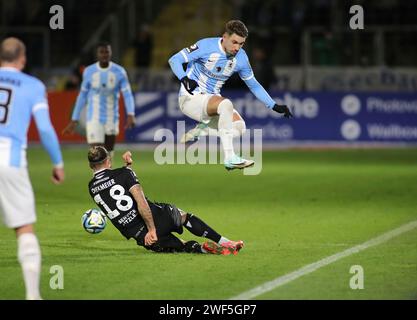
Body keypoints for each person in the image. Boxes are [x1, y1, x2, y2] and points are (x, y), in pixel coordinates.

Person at [168, 20, 293, 171]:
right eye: (234, 42)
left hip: (211, 100)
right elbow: (174, 60)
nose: (237, 48)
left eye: (241, 44)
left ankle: (203, 130)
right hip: (190, 98)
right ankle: (230, 158)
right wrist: (184, 79)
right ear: (224, 37)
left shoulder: (241, 58)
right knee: (225, 104)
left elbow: (253, 84)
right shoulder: (206, 46)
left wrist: (273, 105)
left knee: (240, 127)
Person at [87, 146, 244, 255]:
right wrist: (152, 229)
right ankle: (225, 242)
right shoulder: (124, 173)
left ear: (90, 166)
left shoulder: (92, 187)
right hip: (155, 220)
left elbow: (113, 186)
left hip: (142, 237)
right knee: (184, 217)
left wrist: (127, 167)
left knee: (181, 246)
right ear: (108, 160)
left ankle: (200, 249)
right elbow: (140, 203)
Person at [0, 37, 65, 300]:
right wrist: (57, 162)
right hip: (10, 159)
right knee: (24, 228)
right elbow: (46, 128)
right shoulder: (32, 85)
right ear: (23, 58)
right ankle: (32, 295)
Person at [63, 42, 136, 157]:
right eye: (101, 52)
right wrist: (74, 119)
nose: (104, 54)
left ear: (111, 53)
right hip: (93, 117)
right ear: (97, 54)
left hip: (112, 117)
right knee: (96, 153)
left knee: (108, 154)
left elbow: (127, 94)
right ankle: (98, 175)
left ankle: (107, 174)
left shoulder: (120, 72)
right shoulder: (89, 71)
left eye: (107, 51)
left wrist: (131, 114)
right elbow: (82, 96)